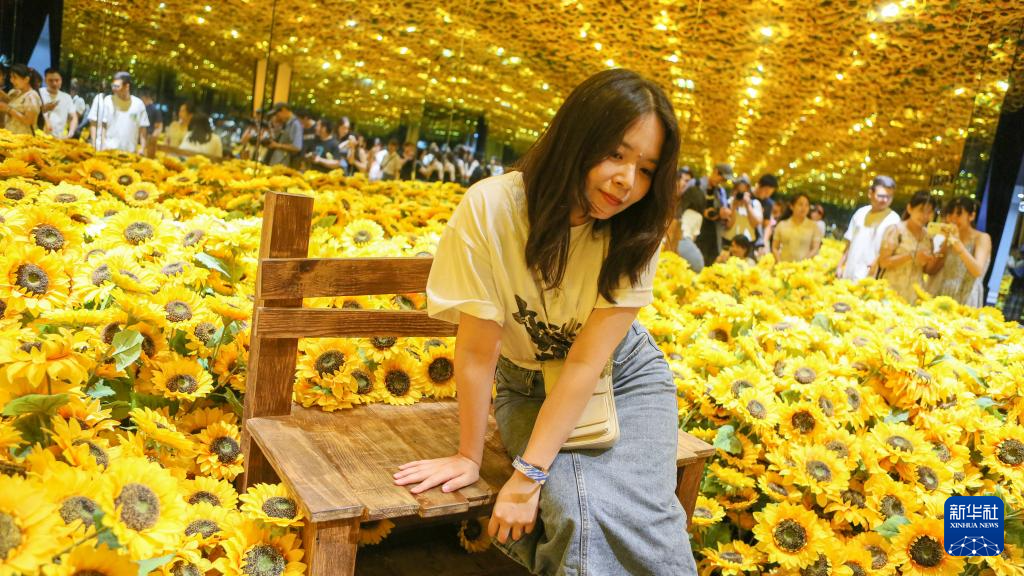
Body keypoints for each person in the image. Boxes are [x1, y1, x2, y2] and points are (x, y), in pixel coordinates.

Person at [394, 69, 698, 575]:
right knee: (577, 510)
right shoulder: (493, 208)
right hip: (529, 385)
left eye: (646, 169)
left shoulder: (637, 233)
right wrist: (469, 456)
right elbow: (477, 352)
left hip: (624, 379)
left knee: (641, 517)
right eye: (616, 154)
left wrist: (529, 474)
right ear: (576, 137)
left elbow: (584, 364)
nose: (627, 181)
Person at [876, 190, 942, 305]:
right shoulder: (896, 230)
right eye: (921, 210)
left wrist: (936, 256)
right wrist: (912, 255)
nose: (925, 216)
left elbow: (927, 270)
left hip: (914, 295)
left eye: (929, 212)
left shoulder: (929, 237)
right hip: (890, 290)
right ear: (910, 208)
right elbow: (883, 262)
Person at [927, 196, 992, 307]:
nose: (953, 218)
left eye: (958, 214)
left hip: (967, 295)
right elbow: (931, 271)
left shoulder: (982, 238)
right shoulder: (949, 238)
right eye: (950, 213)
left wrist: (958, 245)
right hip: (943, 293)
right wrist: (945, 244)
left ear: (971, 216)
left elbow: (977, 271)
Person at [837, 175, 901, 280]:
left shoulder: (893, 220)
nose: (885, 200)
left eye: (889, 197)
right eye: (881, 196)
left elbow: (889, 253)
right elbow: (849, 243)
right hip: (849, 274)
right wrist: (840, 265)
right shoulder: (861, 213)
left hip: (870, 279)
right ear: (870, 193)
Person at [89, 71, 150, 153]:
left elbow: (143, 129)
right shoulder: (108, 101)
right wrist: (101, 144)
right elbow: (103, 126)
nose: (113, 89)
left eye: (117, 86)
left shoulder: (138, 104)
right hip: (108, 150)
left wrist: (142, 148)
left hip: (129, 153)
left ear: (127, 86)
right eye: (113, 85)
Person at [696, 163, 733, 264]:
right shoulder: (697, 185)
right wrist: (704, 212)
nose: (723, 182)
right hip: (697, 233)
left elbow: (724, 209)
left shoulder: (721, 191)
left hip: (714, 235)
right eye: (722, 179)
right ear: (716, 172)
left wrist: (723, 213)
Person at [772, 192, 823, 262]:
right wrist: (779, 262)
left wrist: (803, 262)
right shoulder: (782, 225)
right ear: (791, 206)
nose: (804, 208)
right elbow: (775, 247)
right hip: (783, 266)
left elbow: (815, 248)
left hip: (803, 267)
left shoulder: (814, 226)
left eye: (807, 205)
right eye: (800, 204)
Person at [675, 174, 705, 272]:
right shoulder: (698, 216)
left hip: (674, 239)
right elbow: (694, 238)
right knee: (698, 267)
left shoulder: (680, 210)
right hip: (686, 242)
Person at [0, 64, 41, 135]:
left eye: (15, 77)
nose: (11, 80)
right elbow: (10, 102)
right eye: (11, 77)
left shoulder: (32, 96)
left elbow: (30, 121)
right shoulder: (15, 92)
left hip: (24, 137)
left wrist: (8, 109)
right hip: (11, 135)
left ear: (26, 79)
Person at [722, 175, 763, 244]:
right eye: (738, 191)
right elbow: (728, 225)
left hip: (747, 243)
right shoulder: (728, 202)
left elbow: (755, 224)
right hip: (729, 241)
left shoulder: (755, 204)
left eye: (743, 192)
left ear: (748, 191)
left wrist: (748, 206)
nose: (740, 195)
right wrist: (733, 207)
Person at [40, 68, 77, 139]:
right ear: (45, 80)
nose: (54, 83)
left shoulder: (67, 97)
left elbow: (73, 117)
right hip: (39, 136)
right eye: (50, 80)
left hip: (60, 138)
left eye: (57, 80)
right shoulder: (39, 93)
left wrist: (71, 132)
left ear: (61, 80)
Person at [264, 102, 303, 167]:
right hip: (275, 162)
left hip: (283, 165)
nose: (276, 116)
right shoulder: (286, 123)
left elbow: (297, 147)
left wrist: (277, 145)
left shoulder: (295, 124)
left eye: (277, 114)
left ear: (284, 110)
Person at [1003, 246, 1024, 324]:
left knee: (1011, 312)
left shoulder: (1022, 263)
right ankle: (1011, 324)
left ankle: (1009, 324)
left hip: (1018, 290)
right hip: (1019, 290)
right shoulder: (1021, 262)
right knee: (1016, 312)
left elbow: (1018, 275)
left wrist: (1010, 267)